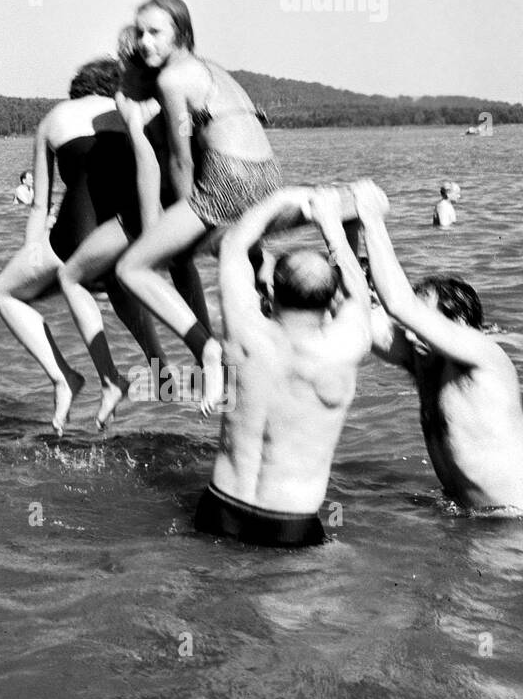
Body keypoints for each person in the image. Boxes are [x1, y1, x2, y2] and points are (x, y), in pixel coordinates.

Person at [0, 59, 188, 434]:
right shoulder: (136, 110)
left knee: (3, 292)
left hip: (74, 233)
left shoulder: (56, 117)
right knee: (116, 278)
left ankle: (66, 378)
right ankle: (159, 366)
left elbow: (40, 204)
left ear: (78, 88)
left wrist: (33, 248)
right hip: (128, 232)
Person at [107, 0, 282, 411]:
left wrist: (185, 214)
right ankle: (251, 338)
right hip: (269, 176)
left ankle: (206, 347)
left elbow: (180, 157)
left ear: (181, 33)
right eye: (141, 33)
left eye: (156, 32)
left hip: (228, 177)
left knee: (131, 268)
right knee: (193, 256)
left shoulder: (171, 80)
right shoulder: (213, 69)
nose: (146, 42)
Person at [191, 185, 372, 547]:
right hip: (289, 522)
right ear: (331, 298)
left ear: (271, 292)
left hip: (220, 508)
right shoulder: (344, 346)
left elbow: (233, 245)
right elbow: (360, 296)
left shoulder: (244, 330)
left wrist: (284, 195)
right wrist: (331, 226)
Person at [354, 180, 523, 511]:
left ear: (458, 326)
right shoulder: (424, 361)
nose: (412, 335)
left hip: (513, 525)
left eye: (423, 326)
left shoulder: (483, 358)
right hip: (467, 519)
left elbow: (400, 305)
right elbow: (359, 314)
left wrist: (371, 218)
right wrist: (345, 232)